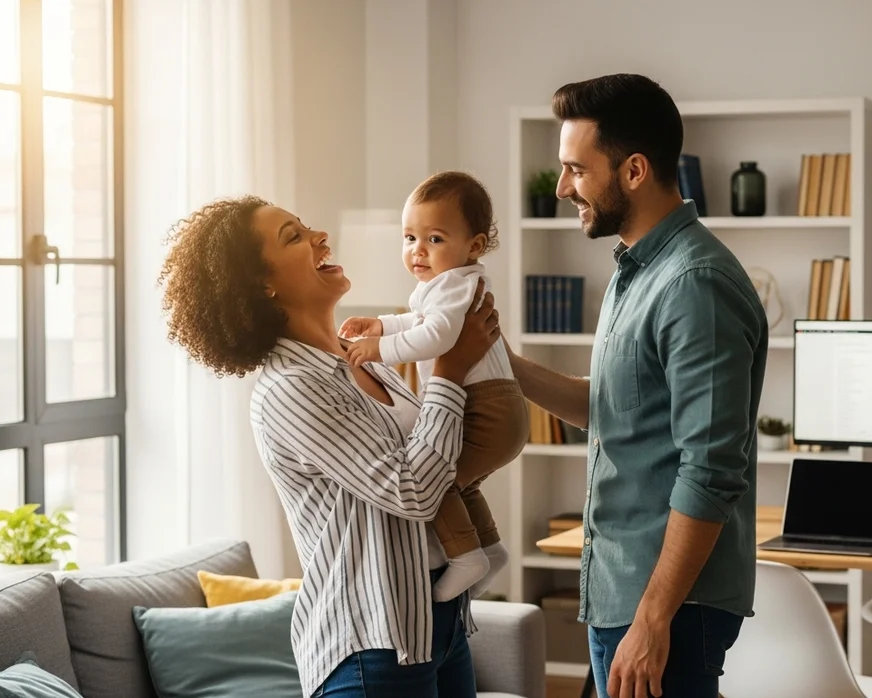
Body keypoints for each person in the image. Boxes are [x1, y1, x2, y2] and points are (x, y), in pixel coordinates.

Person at [158, 195, 501, 698]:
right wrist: (449, 366)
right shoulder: (290, 388)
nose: (320, 237)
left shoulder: (364, 358)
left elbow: (439, 456)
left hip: (437, 622)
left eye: (306, 226)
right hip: (373, 645)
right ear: (262, 285)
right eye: (294, 237)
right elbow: (415, 491)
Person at [507, 73, 769, 698]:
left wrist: (653, 619)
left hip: (670, 607)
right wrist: (498, 363)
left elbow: (710, 470)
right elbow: (610, 407)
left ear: (633, 171)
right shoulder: (636, 272)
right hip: (625, 591)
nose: (564, 187)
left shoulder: (693, 285)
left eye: (576, 169)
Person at [338, 171, 528, 602]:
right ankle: (489, 548)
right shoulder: (443, 286)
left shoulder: (452, 285)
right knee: (463, 483)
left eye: (435, 239)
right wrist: (383, 323)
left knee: (437, 480)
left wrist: (379, 347)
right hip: (496, 408)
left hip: (486, 409)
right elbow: (421, 321)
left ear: (474, 246)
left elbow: (436, 337)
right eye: (409, 238)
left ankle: (466, 557)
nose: (417, 251)